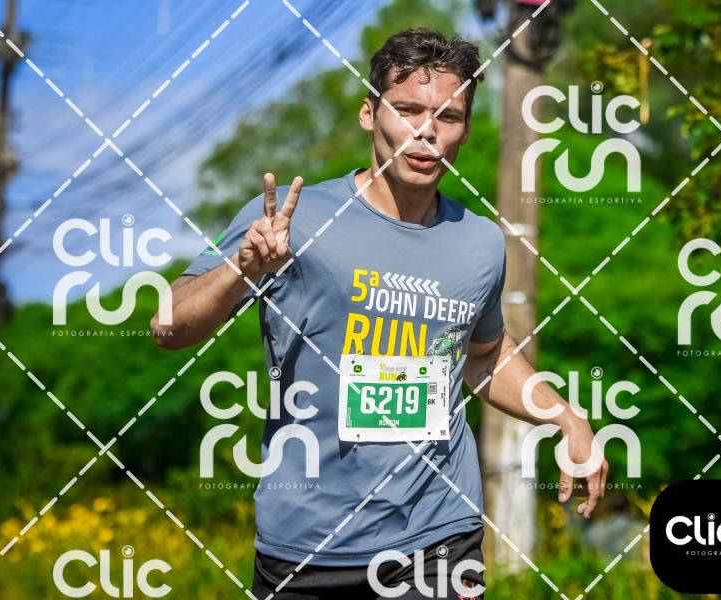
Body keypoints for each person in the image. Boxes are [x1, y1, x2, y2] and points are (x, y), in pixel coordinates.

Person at [151, 28, 608, 600]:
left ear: (465, 129)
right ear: (370, 113)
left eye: (448, 115)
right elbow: (168, 326)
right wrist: (240, 270)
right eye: (408, 109)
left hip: (437, 538)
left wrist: (564, 416)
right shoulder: (292, 219)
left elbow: (484, 356)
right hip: (305, 545)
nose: (426, 130)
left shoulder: (481, 242)